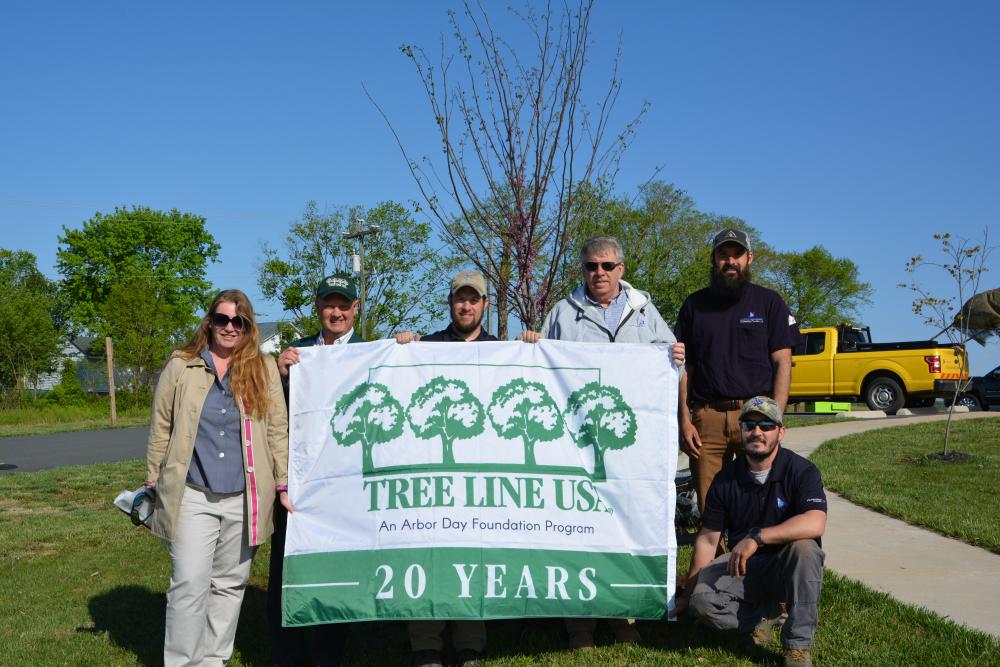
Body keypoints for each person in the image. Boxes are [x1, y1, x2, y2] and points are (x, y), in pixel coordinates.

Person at [519, 235, 684, 650]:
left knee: (624, 524)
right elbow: (543, 372)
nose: (599, 273)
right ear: (583, 270)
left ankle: (624, 614)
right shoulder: (563, 312)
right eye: (592, 266)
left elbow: (669, 369)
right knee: (578, 528)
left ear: (621, 270)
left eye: (607, 266)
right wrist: (532, 348)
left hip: (629, 446)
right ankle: (580, 624)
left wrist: (676, 361)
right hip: (574, 443)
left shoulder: (644, 311)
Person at [146, 289, 290, 667]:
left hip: (246, 499)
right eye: (222, 319)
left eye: (238, 321)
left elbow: (277, 429)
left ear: (248, 327)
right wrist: (152, 482)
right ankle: (181, 662)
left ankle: (213, 661)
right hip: (192, 494)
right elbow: (162, 426)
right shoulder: (182, 365)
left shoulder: (263, 367)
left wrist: (283, 481)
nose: (229, 327)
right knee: (189, 584)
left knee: (229, 586)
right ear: (210, 322)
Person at [671, 396, 827, 667]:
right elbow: (708, 540)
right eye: (750, 425)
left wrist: (757, 537)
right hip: (744, 570)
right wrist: (687, 596)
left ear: (780, 432)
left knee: (805, 548)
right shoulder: (726, 479)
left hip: (786, 568)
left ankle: (797, 647)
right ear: (741, 431)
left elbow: (815, 522)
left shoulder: (801, 471)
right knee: (703, 603)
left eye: (766, 425)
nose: (757, 432)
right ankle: (762, 616)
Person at [394, 269, 496, 667]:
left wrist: (532, 346)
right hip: (432, 472)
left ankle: (470, 642)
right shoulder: (428, 346)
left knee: (474, 552)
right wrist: (403, 346)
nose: (466, 305)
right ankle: (426, 644)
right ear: (450, 303)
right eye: (460, 299)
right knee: (430, 550)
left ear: (485, 305)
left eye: (474, 299)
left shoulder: (501, 350)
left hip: (478, 472)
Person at [267, 272, 363, 667]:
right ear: (318, 307)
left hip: (344, 484)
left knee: (334, 567)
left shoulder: (372, 351)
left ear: (355, 308)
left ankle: (328, 653)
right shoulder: (297, 354)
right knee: (286, 567)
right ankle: (285, 653)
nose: (335, 312)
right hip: (298, 482)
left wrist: (405, 348)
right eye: (329, 304)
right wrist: (280, 374)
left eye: (343, 304)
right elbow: (271, 410)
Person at [675, 228, 801, 513]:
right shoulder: (694, 305)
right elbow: (684, 368)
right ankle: (714, 557)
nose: (730, 261)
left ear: (749, 259)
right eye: (723, 254)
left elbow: (783, 362)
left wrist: (775, 418)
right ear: (713, 259)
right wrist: (684, 419)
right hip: (707, 417)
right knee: (710, 505)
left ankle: (757, 554)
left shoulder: (770, 303)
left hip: (757, 414)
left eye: (737, 255)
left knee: (760, 498)